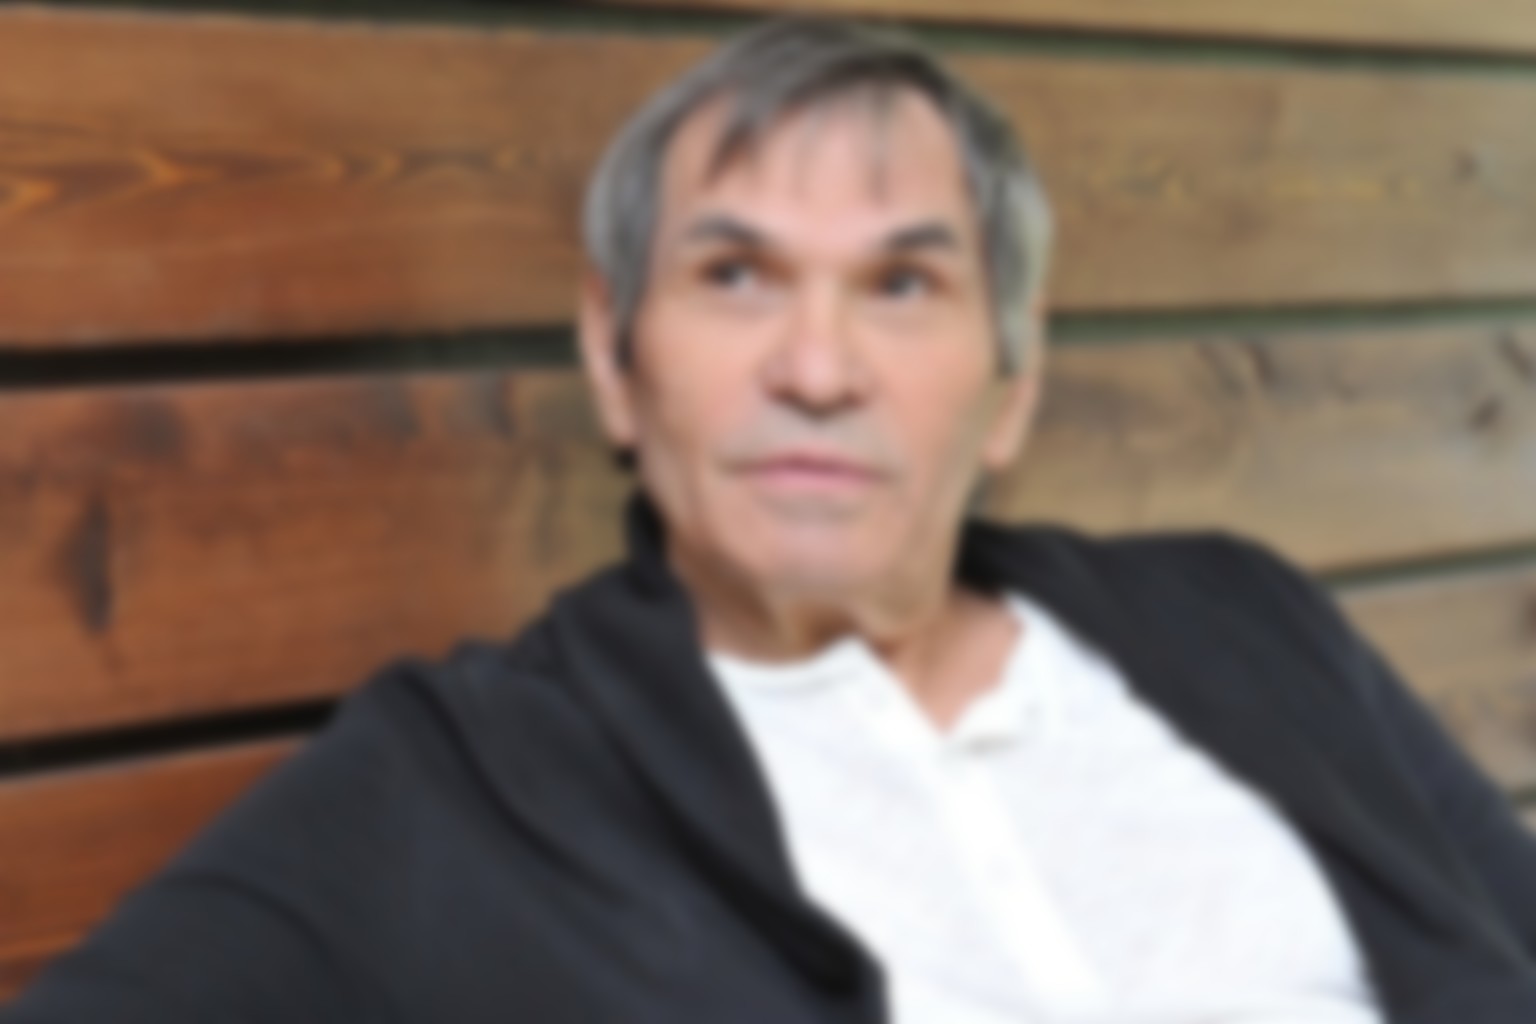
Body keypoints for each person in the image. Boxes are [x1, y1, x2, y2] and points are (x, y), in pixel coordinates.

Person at [7, 16, 1536, 1024]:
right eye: (735, 276)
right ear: (614, 355)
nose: (817, 369)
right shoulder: (462, 780)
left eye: (902, 285)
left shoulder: (1243, 618)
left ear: (1010, 380)